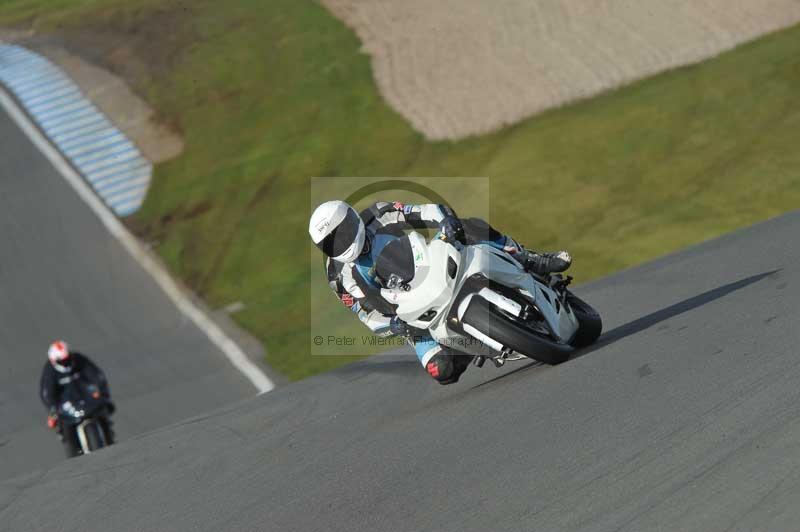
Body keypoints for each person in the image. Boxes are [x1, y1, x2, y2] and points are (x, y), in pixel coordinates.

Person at [309, 200, 572, 385]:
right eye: (330, 242)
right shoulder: (339, 278)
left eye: (340, 234)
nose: (340, 243)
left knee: (471, 227)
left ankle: (531, 258)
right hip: (410, 313)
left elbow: (423, 211)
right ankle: (474, 343)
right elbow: (367, 315)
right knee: (442, 370)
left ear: (352, 219)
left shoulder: (379, 214)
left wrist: (445, 221)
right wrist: (395, 325)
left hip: (431, 262)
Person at [39, 340, 115, 456]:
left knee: (105, 406)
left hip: (85, 395)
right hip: (66, 402)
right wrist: (53, 409)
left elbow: (96, 375)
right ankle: (74, 451)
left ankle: (109, 435)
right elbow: (47, 393)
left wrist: (102, 392)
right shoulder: (50, 371)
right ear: (54, 361)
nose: (66, 362)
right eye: (62, 361)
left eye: (67, 358)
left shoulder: (78, 359)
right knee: (61, 422)